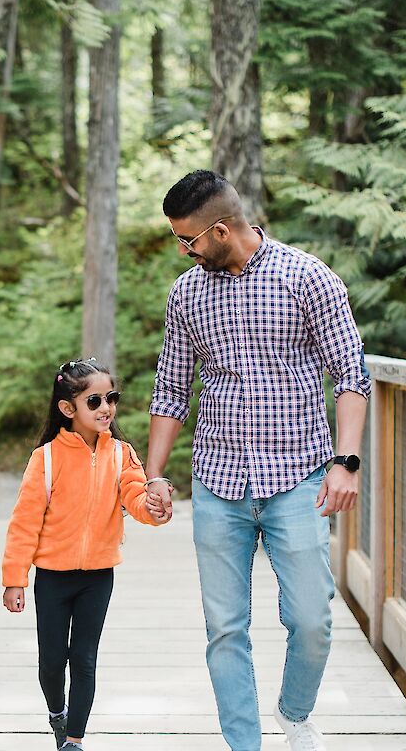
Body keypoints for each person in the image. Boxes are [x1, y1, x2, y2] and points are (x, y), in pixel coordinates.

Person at [144, 170, 371, 751]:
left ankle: (295, 713)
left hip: (298, 477)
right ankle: (244, 745)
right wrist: (154, 474)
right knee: (225, 629)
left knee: (312, 620)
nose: (183, 250)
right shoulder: (186, 293)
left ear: (220, 230)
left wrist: (346, 462)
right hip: (219, 483)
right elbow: (171, 387)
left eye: (188, 239)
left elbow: (351, 374)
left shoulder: (308, 278)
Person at [1, 358, 171, 750]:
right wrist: (15, 579)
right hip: (53, 577)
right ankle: (57, 713)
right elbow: (24, 523)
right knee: (51, 663)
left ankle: (74, 740)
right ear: (68, 408)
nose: (106, 408)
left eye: (111, 398)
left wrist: (155, 509)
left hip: (98, 575)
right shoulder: (44, 459)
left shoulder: (121, 454)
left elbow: (137, 499)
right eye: (94, 401)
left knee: (84, 659)